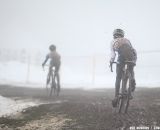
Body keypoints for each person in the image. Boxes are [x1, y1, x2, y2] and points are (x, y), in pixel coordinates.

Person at [110, 29, 137, 107]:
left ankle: (116, 96)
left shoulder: (113, 41)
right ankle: (132, 81)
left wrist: (111, 61)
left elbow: (113, 55)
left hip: (121, 55)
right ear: (122, 35)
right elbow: (133, 50)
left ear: (114, 35)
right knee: (131, 69)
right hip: (132, 54)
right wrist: (134, 60)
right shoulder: (127, 40)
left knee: (118, 77)